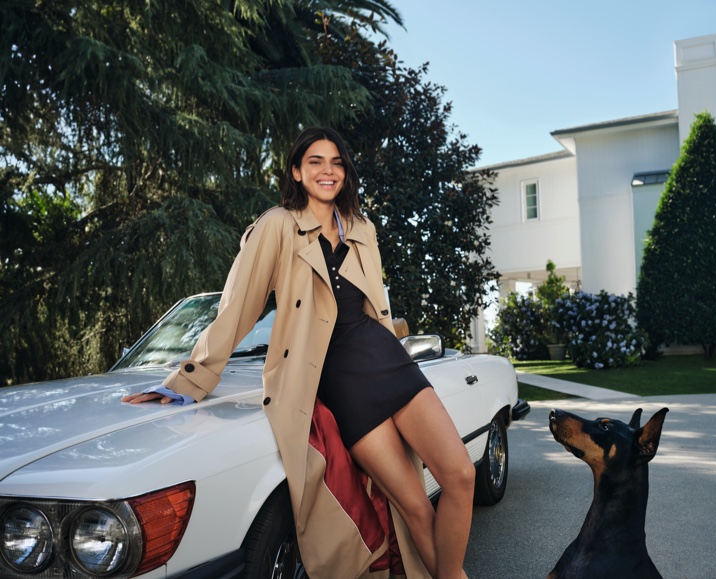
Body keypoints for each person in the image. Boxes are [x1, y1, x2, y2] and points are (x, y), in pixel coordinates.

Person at [123, 127, 474, 579]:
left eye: (336, 163)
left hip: (390, 362)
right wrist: (188, 381)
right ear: (296, 170)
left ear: (345, 173)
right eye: (315, 161)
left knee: (461, 476)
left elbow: (376, 307)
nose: (327, 171)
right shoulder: (277, 226)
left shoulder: (362, 227)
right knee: (413, 506)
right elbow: (237, 307)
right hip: (345, 382)